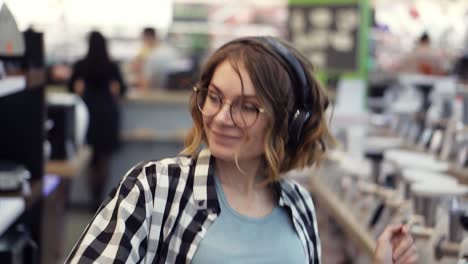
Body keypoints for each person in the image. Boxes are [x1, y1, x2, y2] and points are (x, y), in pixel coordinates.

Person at [66, 36, 417, 264]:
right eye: (215, 97)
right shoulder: (155, 188)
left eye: (248, 107)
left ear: (287, 122)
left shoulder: (299, 207)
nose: (220, 118)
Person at [68, 31, 127, 211]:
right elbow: (122, 89)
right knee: (104, 159)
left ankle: (93, 200)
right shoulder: (111, 65)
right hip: (107, 114)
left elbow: (70, 87)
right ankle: (101, 199)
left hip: (87, 115)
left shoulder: (81, 65)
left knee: (90, 159)